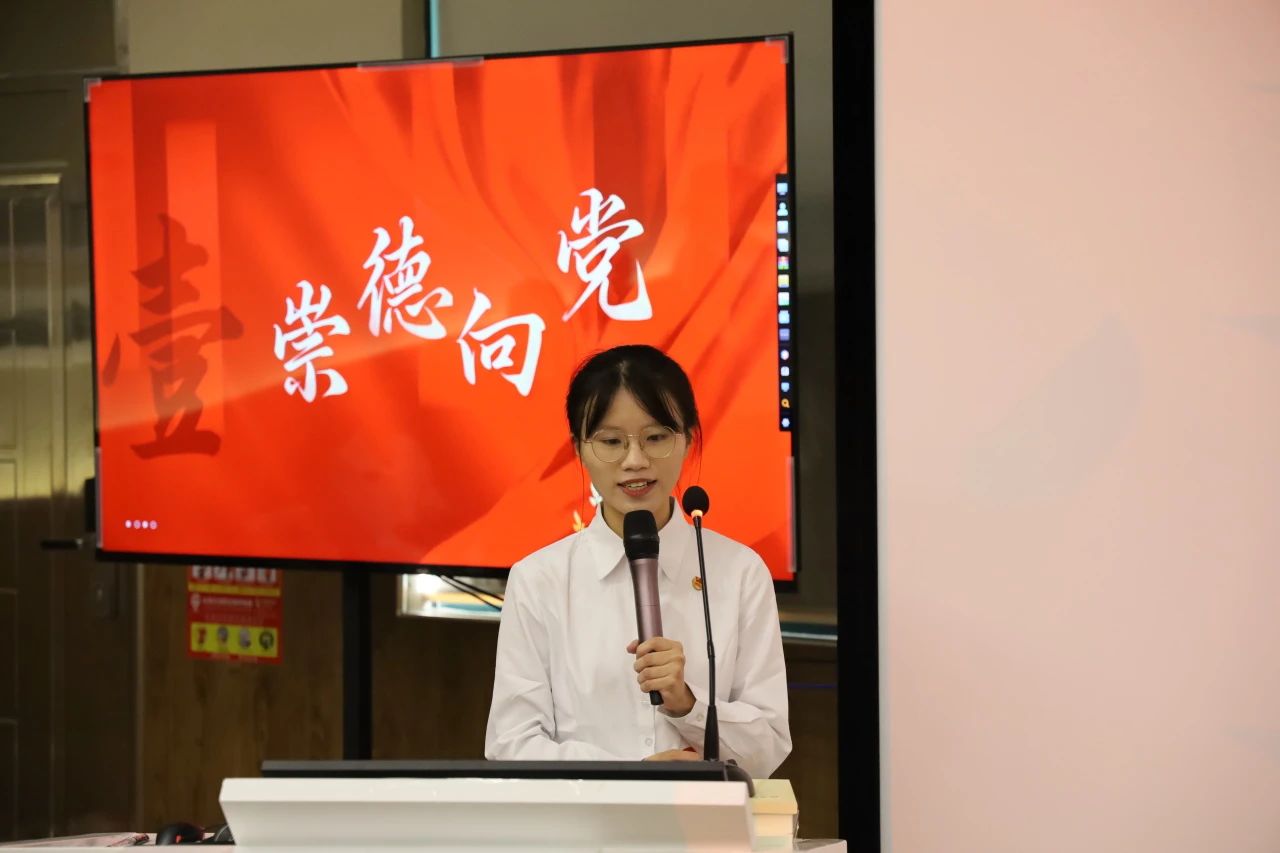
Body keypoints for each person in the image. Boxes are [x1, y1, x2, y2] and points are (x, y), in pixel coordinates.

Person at [484, 344, 791, 779]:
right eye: (611, 441)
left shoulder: (740, 572)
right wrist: (633, 775)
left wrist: (688, 703)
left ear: (688, 439)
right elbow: (511, 746)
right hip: (585, 822)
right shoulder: (539, 579)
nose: (635, 461)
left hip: (706, 820)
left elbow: (768, 748)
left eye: (656, 437)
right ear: (579, 449)